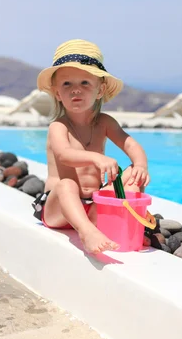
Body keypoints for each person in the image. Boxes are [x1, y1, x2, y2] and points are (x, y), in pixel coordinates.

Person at [31, 39, 151, 254]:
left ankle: (124, 224)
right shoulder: (59, 127)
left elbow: (129, 143)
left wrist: (140, 165)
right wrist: (96, 158)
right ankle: (87, 232)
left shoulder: (105, 122)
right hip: (58, 208)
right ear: (58, 93)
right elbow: (65, 155)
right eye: (67, 84)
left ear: (99, 90)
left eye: (85, 83)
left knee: (133, 174)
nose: (76, 90)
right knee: (67, 184)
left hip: (93, 203)